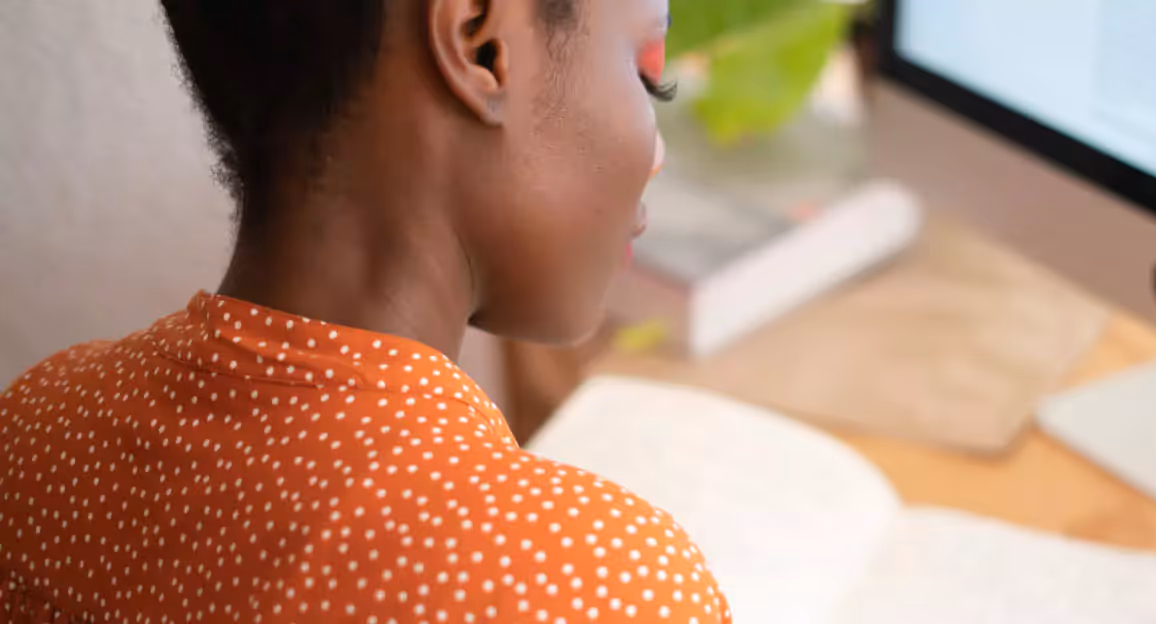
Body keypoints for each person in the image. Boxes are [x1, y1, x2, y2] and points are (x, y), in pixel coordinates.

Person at [0, 0, 732, 622]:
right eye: (646, 76)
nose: (656, 151)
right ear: (481, 42)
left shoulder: (32, 434)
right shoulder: (595, 585)